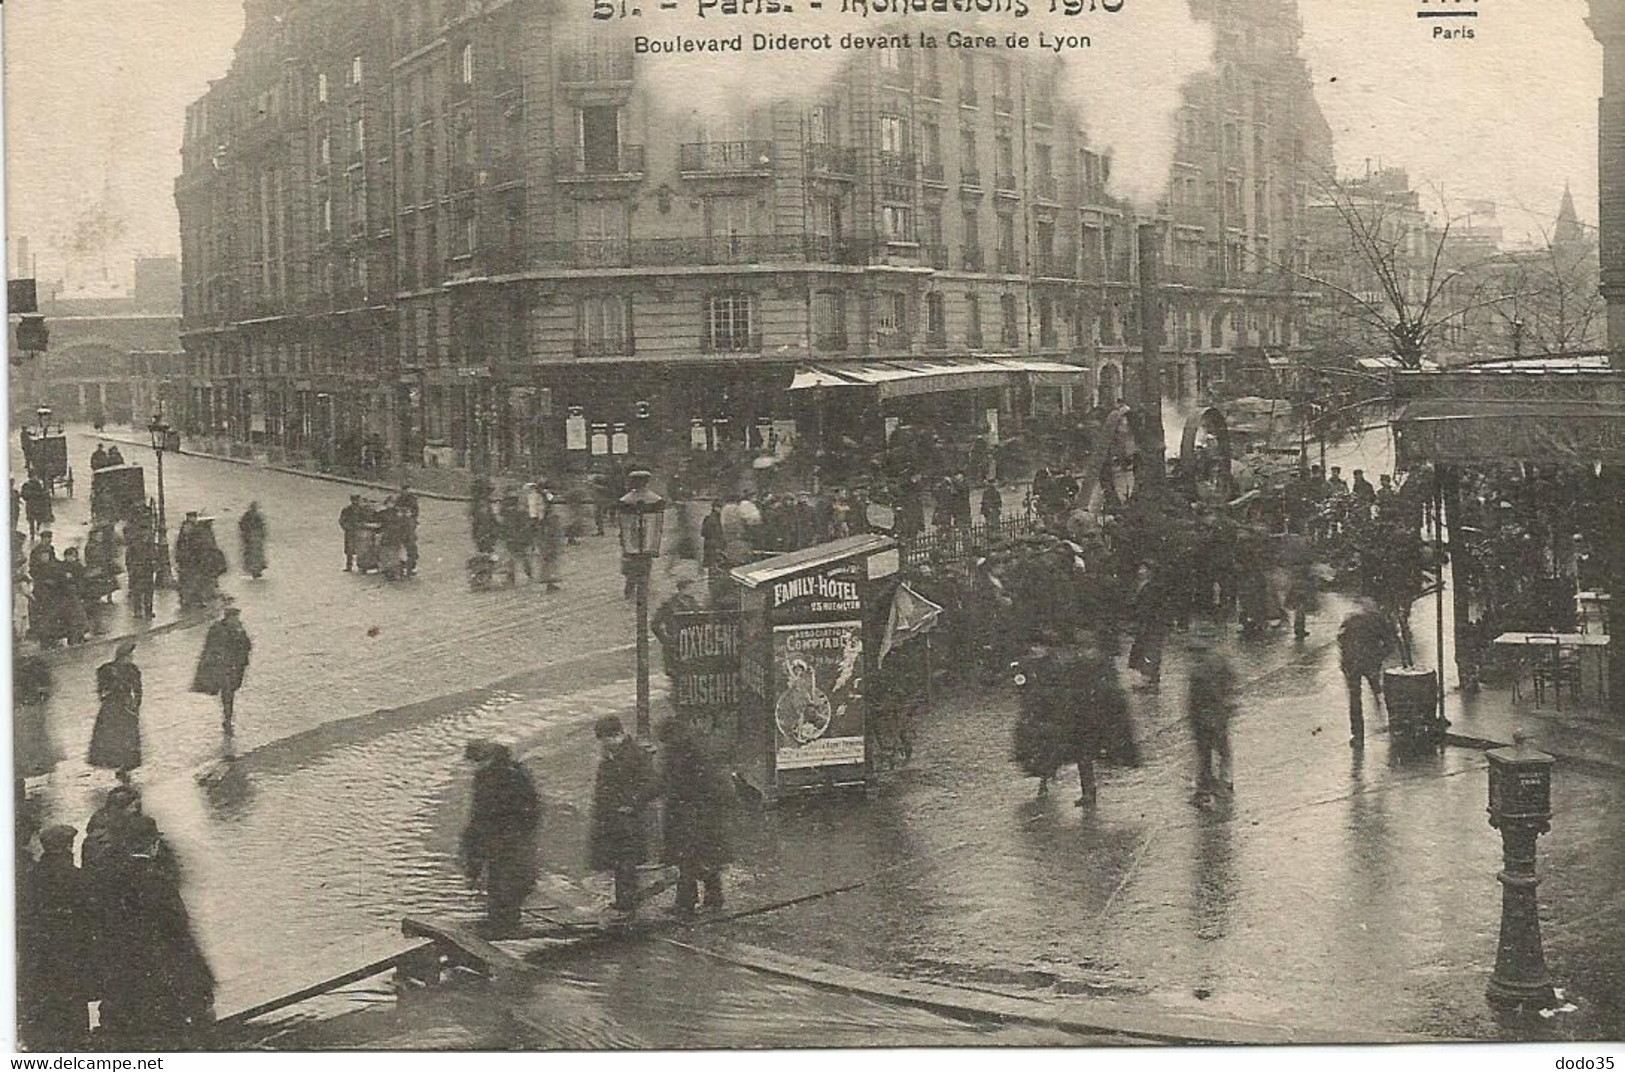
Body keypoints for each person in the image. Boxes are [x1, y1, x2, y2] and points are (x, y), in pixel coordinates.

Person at [94, 817, 215, 1048]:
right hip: (159, 974)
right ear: (153, 845)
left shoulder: (108, 880)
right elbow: (179, 929)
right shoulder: (158, 880)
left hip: (124, 974)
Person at [18, 824, 98, 1050]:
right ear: (68, 848)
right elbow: (92, 919)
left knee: (44, 1008)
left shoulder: (29, 877)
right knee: (73, 1011)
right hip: (73, 957)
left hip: (39, 958)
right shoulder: (79, 878)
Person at [460, 740, 540, 938]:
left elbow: (529, 808)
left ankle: (507, 923)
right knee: (499, 880)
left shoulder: (508, 776)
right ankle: (500, 920)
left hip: (510, 838)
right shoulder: (490, 775)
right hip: (501, 838)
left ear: (486, 759)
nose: (474, 767)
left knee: (508, 880)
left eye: (476, 762)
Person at [656, 718, 732, 916]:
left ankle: (686, 903)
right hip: (690, 814)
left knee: (688, 859)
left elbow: (680, 784)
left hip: (691, 815)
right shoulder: (686, 751)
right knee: (698, 859)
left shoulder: (687, 754)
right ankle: (712, 898)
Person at [588, 716, 655, 915]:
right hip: (612, 818)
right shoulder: (612, 755)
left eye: (605, 739)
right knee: (619, 861)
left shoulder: (635, 754)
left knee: (627, 861)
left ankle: (627, 904)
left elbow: (652, 784)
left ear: (617, 735)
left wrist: (631, 803)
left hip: (628, 818)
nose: (603, 744)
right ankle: (623, 901)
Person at [1338, 599, 1395, 747]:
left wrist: (1344, 661)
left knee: (1354, 698)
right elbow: (1390, 643)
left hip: (1351, 662)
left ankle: (1357, 735)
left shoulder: (1349, 618)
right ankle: (1392, 722)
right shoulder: (1378, 619)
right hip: (1370, 661)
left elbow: (1341, 640)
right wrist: (1379, 656)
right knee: (1377, 684)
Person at [1186, 637, 1236, 805]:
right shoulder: (1219, 662)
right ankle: (1223, 781)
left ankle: (1208, 786)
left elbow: (1195, 699)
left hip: (1205, 717)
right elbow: (1231, 682)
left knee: (1207, 752)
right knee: (1221, 751)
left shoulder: (1198, 671)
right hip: (1217, 715)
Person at [192, 603, 252, 734]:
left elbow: (247, 645)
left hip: (236, 667)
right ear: (228, 617)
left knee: (231, 690)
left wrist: (241, 636)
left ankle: (228, 717)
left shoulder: (239, 628)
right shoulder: (217, 629)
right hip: (222, 667)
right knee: (228, 693)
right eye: (235, 617)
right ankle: (228, 719)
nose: (237, 619)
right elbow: (211, 647)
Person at [89, 641, 143, 777]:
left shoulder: (132, 670)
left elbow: (138, 690)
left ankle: (125, 765)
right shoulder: (107, 670)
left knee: (126, 737)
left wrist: (135, 704)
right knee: (113, 736)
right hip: (113, 706)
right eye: (129, 655)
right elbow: (101, 690)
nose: (131, 658)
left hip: (124, 706)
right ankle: (115, 763)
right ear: (122, 656)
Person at [652, 576, 702, 680]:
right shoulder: (669, 605)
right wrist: (665, 639)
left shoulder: (693, 603)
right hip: (675, 643)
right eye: (691, 588)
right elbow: (655, 624)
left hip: (691, 643)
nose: (694, 591)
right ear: (683, 589)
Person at [124, 512, 157, 621]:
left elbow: (154, 554)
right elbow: (128, 557)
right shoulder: (135, 543)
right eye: (145, 530)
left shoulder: (150, 543)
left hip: (148, 570)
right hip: (138, 570)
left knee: (149, 591)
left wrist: (155, 563)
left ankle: (148, 610)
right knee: (138, 592)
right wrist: (131, 569)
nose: (147, 533)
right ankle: (138, 611)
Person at [238, 501, 268, 579]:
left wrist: (244, 534)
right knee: (255, 554)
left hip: (250, 537)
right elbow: (262, 526)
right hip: (254, 537)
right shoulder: (257, 516)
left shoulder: (247, 515)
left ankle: (254, 570)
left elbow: (241, 525)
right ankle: (256, 570)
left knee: (251, 554)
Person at [396, 484, 420, 576]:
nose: (404, 492)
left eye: (406, 490)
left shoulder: (412, 499)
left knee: (411, 547)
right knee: (400, 547)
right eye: (403, 490)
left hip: (409, 526)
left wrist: (410, 515)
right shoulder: (399, 499)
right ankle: (401, 567)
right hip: (400, 527)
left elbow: (415, 512)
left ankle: (411, 567)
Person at [340, 495, 365, 572]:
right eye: (354, 500)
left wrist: (362, 526)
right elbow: (342, 520)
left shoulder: (362, 510)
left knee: (361, 549)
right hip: (350, 531)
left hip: (359, 531)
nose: (356, 502)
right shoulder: (347, 510)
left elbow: (366, 519)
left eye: (357, 500)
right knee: (349, 550)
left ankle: (361, 566)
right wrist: (347, 528)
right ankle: (349, 566)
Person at [701, 500, 725, 572]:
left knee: (711, 562)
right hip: (713, 542)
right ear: (715, 508)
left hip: (709, 542)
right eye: (720, 508)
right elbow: (718, 532)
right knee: (713, 560)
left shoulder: (709, 517)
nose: (721, 510)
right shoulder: (714, 519)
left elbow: (703, 533)